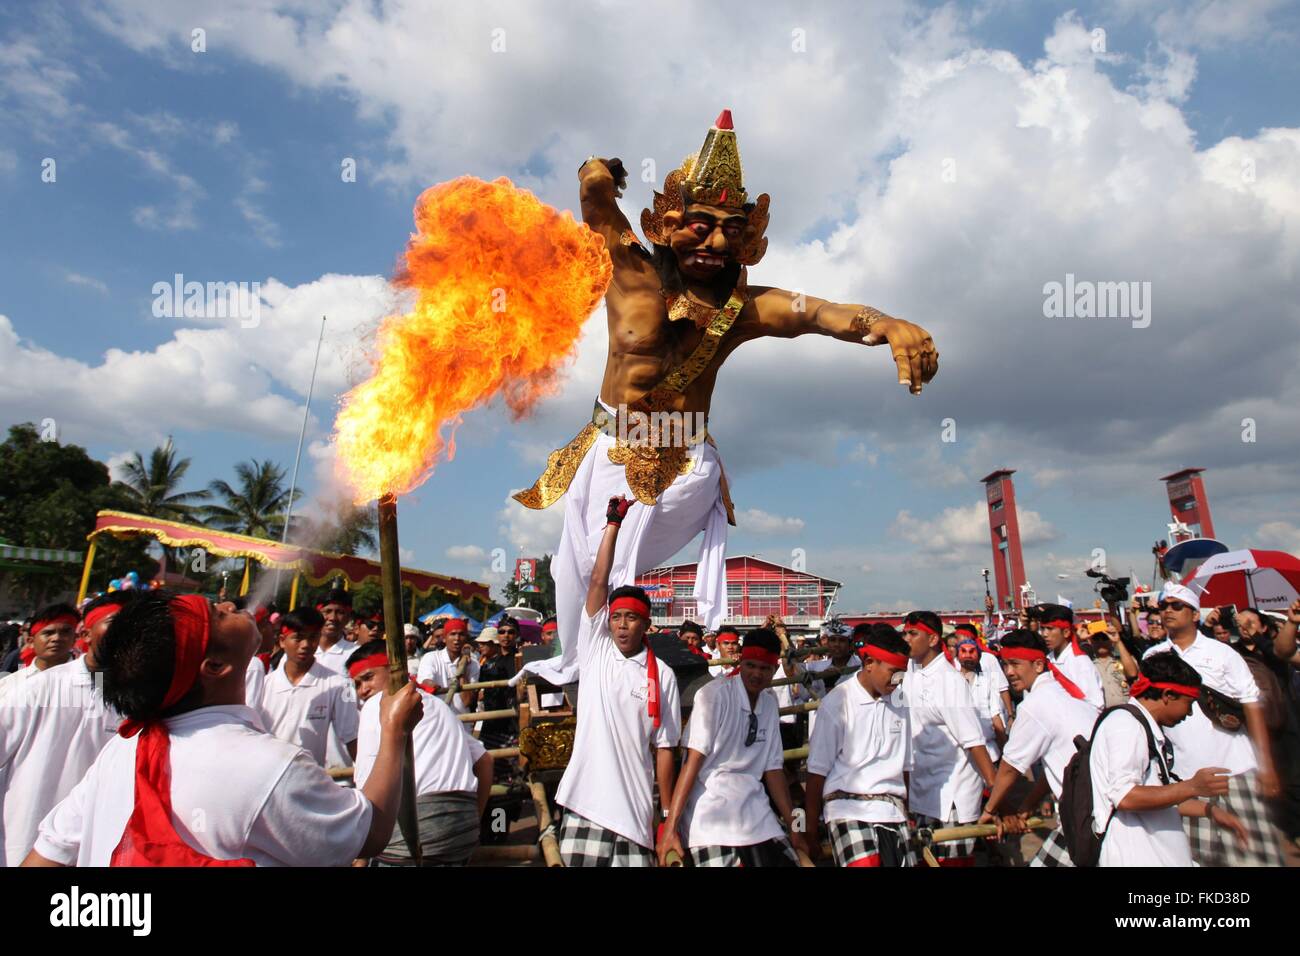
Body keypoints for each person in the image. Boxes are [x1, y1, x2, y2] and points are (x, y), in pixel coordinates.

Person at [512, 111, 938, 689]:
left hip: (681, 462)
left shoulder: (745, 310)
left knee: (605, 571)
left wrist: (887, 322)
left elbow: (820, 314)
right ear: (665, 223)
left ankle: (612, 677)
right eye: (699, 225)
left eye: (730, 231)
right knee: (572, 570)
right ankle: (584, 675)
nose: (715, 242)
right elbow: (592, 195)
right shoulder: (628, 270)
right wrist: (601, 170)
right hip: (606, 446)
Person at [23, 590, 422, 867]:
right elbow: (369, 831)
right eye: (217, 614)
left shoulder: (123, 750)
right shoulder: (268, 766)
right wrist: (393, 733)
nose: (230, 604)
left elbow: (46, 854)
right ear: (214, 667)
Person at [555, 496, 681, 866]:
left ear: (646, 625)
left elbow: (665, 749)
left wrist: (667, 818)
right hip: (584, 806)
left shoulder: (664, 676)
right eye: (617, 617)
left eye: (631, 618)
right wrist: (614, 524)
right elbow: (597, 580)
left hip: (635, 817)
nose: (622, 624)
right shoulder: (595, 651)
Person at [1143, 581, 1284, 866]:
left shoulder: (1223, 654)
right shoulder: (1152, 657)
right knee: (1196, 859)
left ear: (1195, 614)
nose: (1168, 611)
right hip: (1184, 777)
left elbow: (1251, 705)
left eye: (1176, 606)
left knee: (1253, 856)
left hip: (1234, 770)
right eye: (1163, 606)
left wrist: (1266, 766)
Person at [0, 592, 135, 866]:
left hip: (95, 852)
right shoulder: (33, 690)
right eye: (115, 621)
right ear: (85, 633)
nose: (127, 631)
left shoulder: (141, 699)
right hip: (24, 846)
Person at [658, 628, 806, 866]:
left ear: (774, 669)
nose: (756, 674)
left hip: (757, 813)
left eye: (764, 668)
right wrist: (670, 828)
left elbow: (774, 770)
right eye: (750, 666)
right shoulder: (713, 695)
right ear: (740, 661)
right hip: (711, 815)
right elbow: (691, 764)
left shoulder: (769, 702)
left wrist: (797, 828)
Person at [1089, 651, 1248, 866]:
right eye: (1189, 703)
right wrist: (1193, 787)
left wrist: (1210, 810)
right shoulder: (1126, 725)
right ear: (1168, 695)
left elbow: (1158, 792)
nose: (1190, 713)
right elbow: (1126, 797)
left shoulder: (1142, 725)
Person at [348, 641, 492, 866]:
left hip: (418, 828)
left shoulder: (376, 705)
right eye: (357, 684)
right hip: (463, 828)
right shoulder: (437, 704)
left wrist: (360, 857)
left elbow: (367, 780)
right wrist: (472, 825)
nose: (363, 690)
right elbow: (485, 761)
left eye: (368, 678)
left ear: (392, 670)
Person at [979, 628, 1100, 867]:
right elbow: (1061, 768)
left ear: (1038, 665)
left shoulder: (1036, 705)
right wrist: (1026, 807)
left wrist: (991, 810)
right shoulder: (1065, 697)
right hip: (1092, 812)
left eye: (1015, 664)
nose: (1009, 672)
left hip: (1086, 817)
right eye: (1005, 665)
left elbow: (1009, 768)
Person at [804, 627, 914, 866]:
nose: (898, 680)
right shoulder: (837, 702)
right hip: (847, 808)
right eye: (894, 672)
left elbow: (905, 765)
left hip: (893, 810)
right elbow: (816, 773)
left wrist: (908, 813)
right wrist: (809, 832)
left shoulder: (901, 700)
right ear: (870, 663)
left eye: (903, 674)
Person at [899, 610, 996, 866]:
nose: (906, 639)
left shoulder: (949, 681)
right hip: (922, 790)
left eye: (913, 633)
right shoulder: (908, 671)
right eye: (905, 633)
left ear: (932, 640)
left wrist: (996, 798)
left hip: (952, 795)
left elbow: (973, 741)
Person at [260, 608, 360, 769]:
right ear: (281, 641)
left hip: (308, 781)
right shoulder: (263, 685)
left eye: (313, 637)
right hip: (266, 776)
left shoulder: (339, 684)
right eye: (298, 638)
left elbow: (351, 738)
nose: (306, 645)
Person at [0, 603, 78, 700]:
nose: (57, 638)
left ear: (75, 638)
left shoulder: (95, 682)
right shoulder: (7, 685)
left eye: (65, 632)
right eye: (48, 633)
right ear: (30, 641)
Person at [1034, 603, 1104, 710]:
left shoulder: (1080, 662)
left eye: (1050, 628)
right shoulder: (1047, 660)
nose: (1044, 634)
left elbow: (1095, 705)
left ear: (1066, 632)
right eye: (1043, 629)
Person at [954, 635, 1007, 760]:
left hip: (989, 751)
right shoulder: (949, 683)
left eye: (972, 652)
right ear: (957, 656)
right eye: (963, 651)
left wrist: (1004, 749)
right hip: (960, 754)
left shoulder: (987, 683)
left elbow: (996, 717)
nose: (967, 655)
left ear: (979, 657)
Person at [416, 618, 479, 717]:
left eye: (461, 634)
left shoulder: (473, 663)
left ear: (466, 638)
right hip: (436, 719)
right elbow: (425, 682)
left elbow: (467, 701)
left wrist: (462, 670)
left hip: (461, 722)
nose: (457, 638)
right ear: (444, 638)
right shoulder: (431, 657)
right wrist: (430, 685)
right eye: (453, 634)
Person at [952, 621, 1012, 718]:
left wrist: (1010, 715)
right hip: (968, 716)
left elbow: (1002, 688)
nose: (955, 641)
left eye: (957, 637)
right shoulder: (955, 661)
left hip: (993, 715)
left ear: (967, 637)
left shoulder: (989, 659)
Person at [313, 589, 359, 678]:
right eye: (327, 611)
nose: (332, 618)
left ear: (348, 617)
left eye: (340, 612)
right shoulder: (301, 649)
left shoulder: (355, 653)